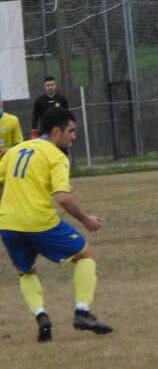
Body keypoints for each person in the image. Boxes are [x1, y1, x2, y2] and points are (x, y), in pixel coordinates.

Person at [0, 108, 112, 342]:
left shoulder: (16, 150)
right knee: (85, 255)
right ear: (55, 132)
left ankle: (41, 317)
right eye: (71, 131)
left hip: (8, 223)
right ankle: (82, 312)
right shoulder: (56, 156)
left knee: (25, 271)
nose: (74, 136)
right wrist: (87, 220)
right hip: (40, 222)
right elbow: (63, 198)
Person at [0, 95, 24, 160]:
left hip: (8, 162)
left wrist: (8, 150)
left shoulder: (13, 120)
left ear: (1, 102)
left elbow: (20, 145)